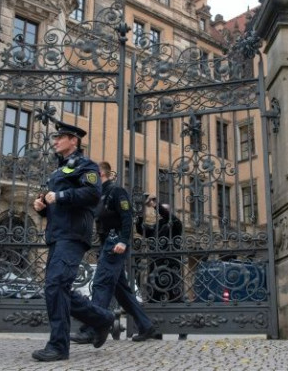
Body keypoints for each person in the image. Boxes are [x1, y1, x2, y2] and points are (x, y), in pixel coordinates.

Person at [31, 121, 115, 362]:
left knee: (55, 287)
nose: (55, 141)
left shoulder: (86, 166)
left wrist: (60, 195)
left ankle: (58, 346)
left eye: (60, 137)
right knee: (57, 289)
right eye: (55, 137)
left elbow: (92, 194)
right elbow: (58, 206)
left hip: (74, 234)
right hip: (58, 234)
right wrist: (43, 208)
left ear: (73, 140)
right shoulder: (58, 170)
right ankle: (102, 318)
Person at [70, 161, 158, 345]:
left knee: (101, 284)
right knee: (122, 292)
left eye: (92, 176)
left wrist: (123, 241)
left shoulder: (116, 192)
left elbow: (127, 217)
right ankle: (146, 325)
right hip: (106, 245)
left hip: (115, 244)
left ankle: (92, 328)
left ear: (101, 174)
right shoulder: (99, 194)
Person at [135, 195, 184, 303]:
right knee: (153, 297)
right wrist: (140, 213)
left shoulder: (176, 224)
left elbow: (168, 216)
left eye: (163, 209)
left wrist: (155, 205)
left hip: (170, 265)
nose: (160, 211)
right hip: (155, 266)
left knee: (173, 298)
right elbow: (141, 229)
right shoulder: (156, 226)